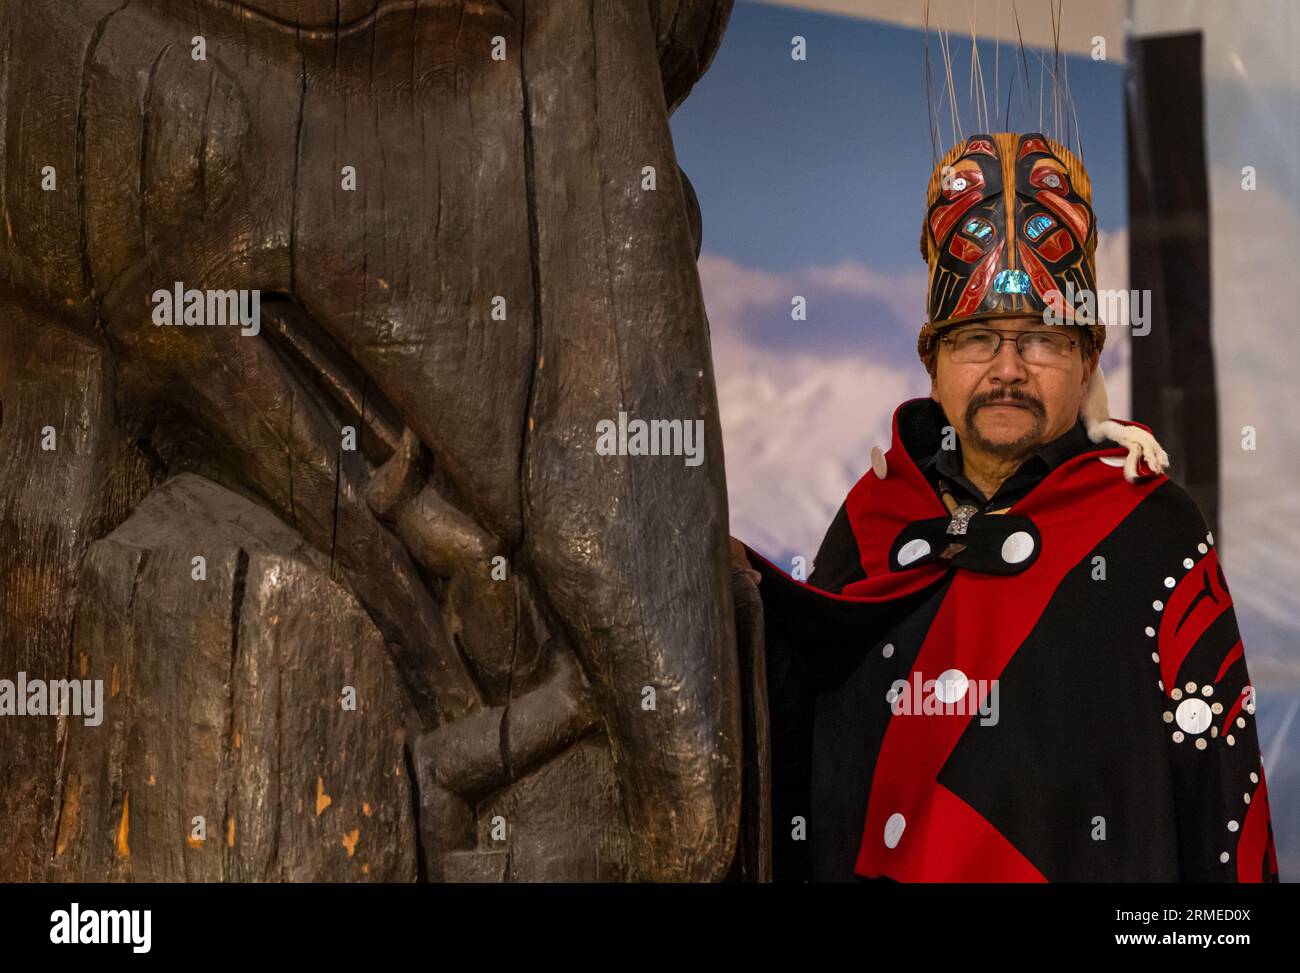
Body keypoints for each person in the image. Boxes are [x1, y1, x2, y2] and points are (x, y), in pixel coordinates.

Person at [731, 131, 1280, 882]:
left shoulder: (1151, 527)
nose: (1008, 369)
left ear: (1088, 359)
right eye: (978, 339)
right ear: (933, 362)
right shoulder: (874, 521)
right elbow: (799, 740)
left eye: (1041, 341)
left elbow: (1221, 797)